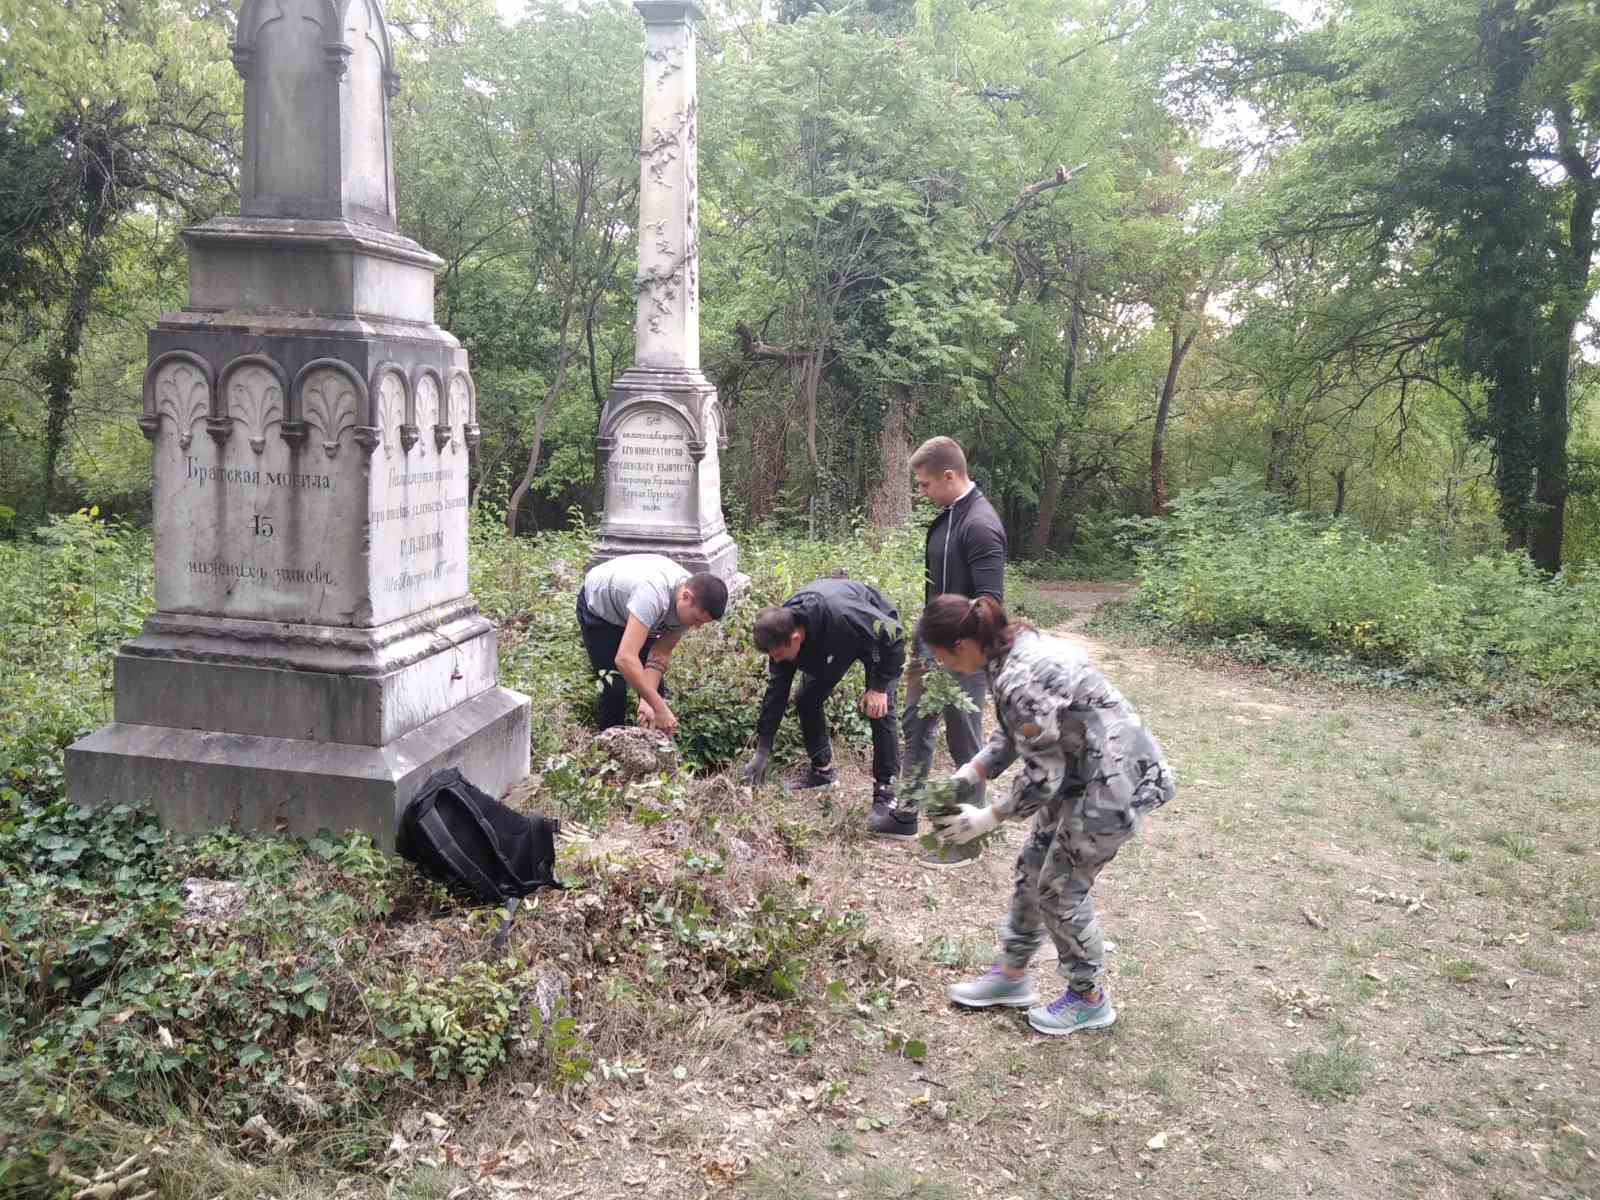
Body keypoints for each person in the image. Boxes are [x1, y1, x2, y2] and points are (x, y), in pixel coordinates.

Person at [918, 593, 1176, 1036]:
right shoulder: (1006, 656)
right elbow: (1016, 732)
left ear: (960, 644)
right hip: (1082, 768)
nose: (941, 665)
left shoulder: (1020, 674)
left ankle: (1088, 997)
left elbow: (1042, 777)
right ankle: (1012, 975)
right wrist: (972, 771)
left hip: (1112, 780)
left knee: (1060, 888)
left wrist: (988, 817)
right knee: (1032, 867)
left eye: (939, 656)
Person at [867, 436, 1007, 865]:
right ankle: (906, 814)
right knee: (916, 728)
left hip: (963, 654)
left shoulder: (979, 524)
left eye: (925, 484)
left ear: (950, 476)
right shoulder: (948, 516)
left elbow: (989, 604)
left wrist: (957, 650)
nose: (921, 492)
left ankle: (966, 839)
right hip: (930, 646)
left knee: (965, 742)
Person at [738, 578, 906, 810]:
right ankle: (822, 772)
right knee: (807, 698)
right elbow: (777, 690)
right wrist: (762, 750)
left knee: (878, 709)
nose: (775, 660)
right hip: (832, 642)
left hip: (877, 639)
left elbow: (894, 636)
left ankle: (887, 791)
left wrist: (878, 687)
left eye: (778, 654)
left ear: (795, 638)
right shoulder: (781, 631)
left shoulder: (843, 614)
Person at [575, 554, 728, 735]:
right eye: (696, 619)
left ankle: (653, 751)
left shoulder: (689, 605)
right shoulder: (652, 596)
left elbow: (660, 653)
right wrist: (660, 708)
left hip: (640, 614)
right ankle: (609, 748)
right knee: (615, 689)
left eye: (702, 622)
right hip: (601, 611)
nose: (696, 626)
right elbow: (625, 658)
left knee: (654, 692)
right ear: (686, 596)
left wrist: (649, 702)